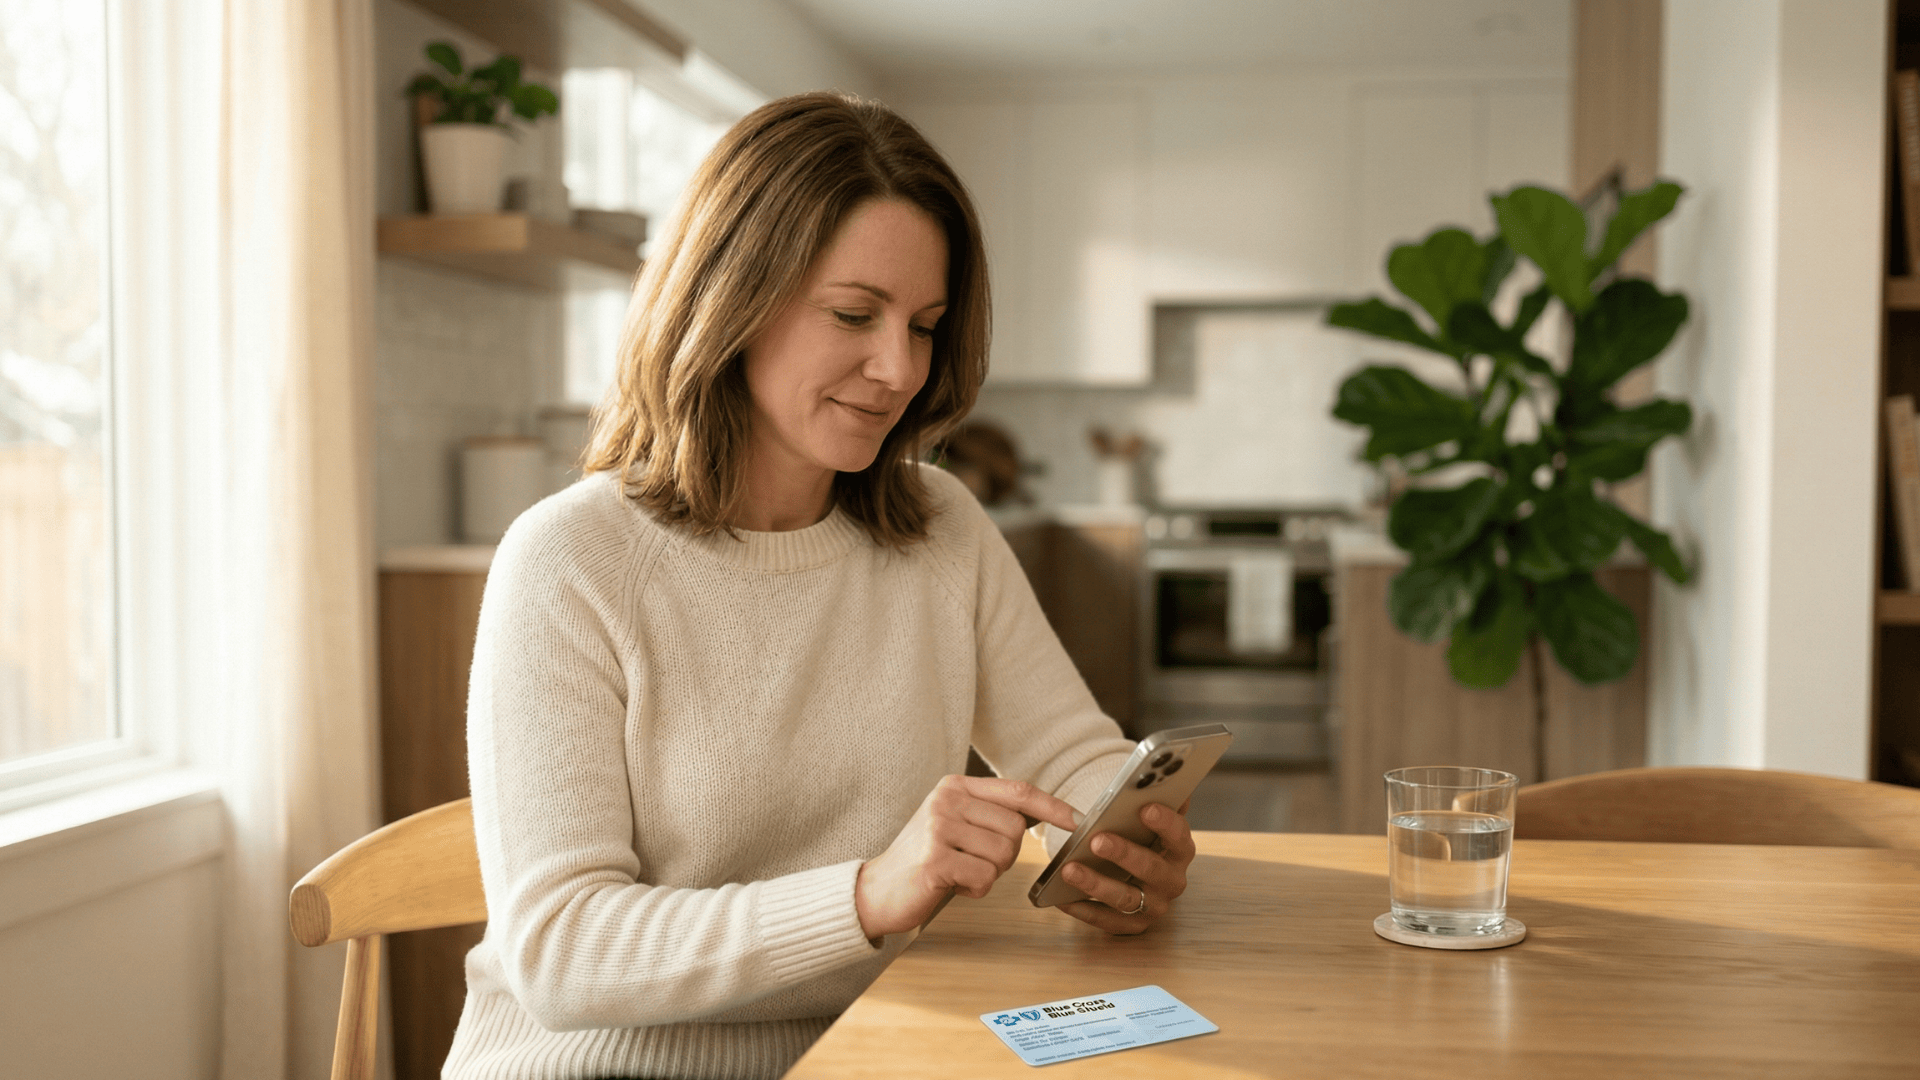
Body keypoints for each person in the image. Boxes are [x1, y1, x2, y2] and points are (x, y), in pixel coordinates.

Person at [443, 91, 1198, 1080]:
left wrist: (1124, 843)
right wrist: (869, 893)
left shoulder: (940, 528)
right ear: (730, 301)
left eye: (925, 326)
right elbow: (563, 951)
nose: (898, 369)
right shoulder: (571, 562)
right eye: (854, 314)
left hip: (873, 1051)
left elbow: (1067, 752)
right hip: (595, 1064)